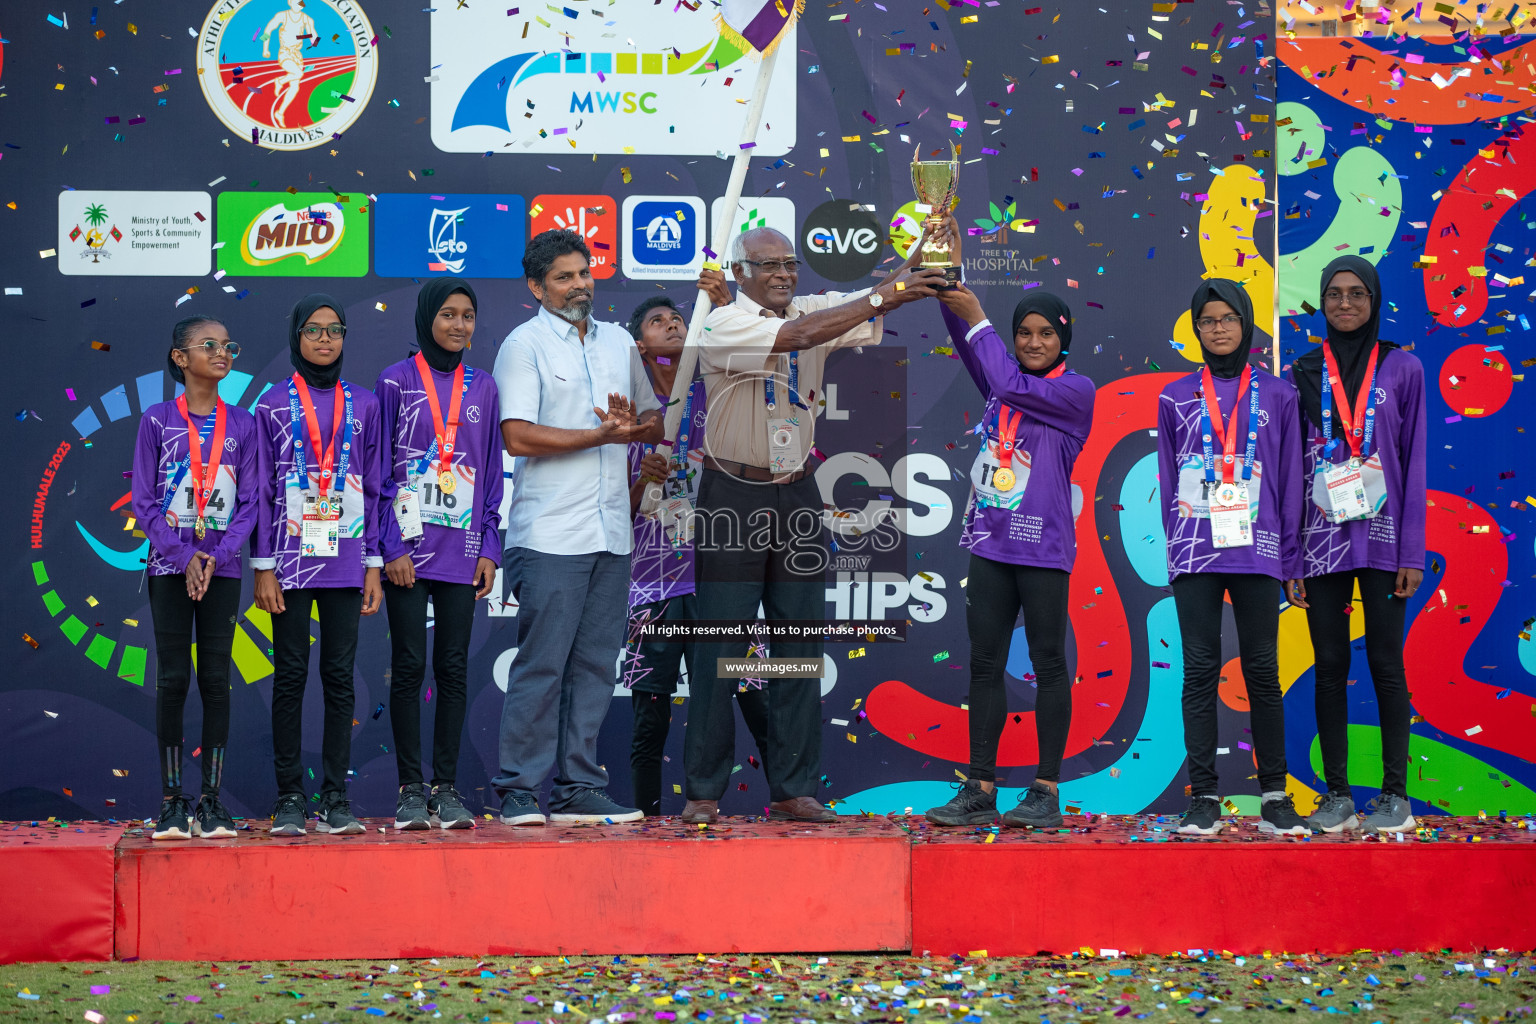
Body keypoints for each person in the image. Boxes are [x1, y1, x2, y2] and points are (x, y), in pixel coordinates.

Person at [681, 226, 946, 825]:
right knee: (720, 648)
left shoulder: (812, 310)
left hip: (797, 491)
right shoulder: (721, 322)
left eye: (790, 264)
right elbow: (798, 336)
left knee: (798, 647)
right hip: (734, 494)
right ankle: (704, 789)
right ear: (739, 272)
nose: (783, 274)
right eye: (769, 265)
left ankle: (793, 789)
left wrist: (927, 246)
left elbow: (881, 294)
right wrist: (885, 296)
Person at [919, 218, 1094, 829]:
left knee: (1047, 662)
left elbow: (998, 370)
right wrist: (951, 277)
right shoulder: (1002, 383)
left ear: (1063, 340)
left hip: (1043, 548)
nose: (1033, 340)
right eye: (1023, 332)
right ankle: (980, 787)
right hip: (992, 543)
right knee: (986, 663)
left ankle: (1044, 792)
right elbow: (973, 342)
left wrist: (982, 317)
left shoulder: (1077, 391)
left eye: (1045, 333)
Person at [491, 228, 663, 826]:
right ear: (537, 287)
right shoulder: (524, 345)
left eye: (584, 273)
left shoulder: (617, 341)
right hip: (549, 536)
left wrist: (637, 427)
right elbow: (517, 436)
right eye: (563, 277)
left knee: (595, 666)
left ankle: (577, 787)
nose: (578, 285)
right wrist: (600, 435)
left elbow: (648, 417)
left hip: (612, 530)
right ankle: (517, 789)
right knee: (542, 663)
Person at [1153, 280, 1311, 836]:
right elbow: (1169, 476)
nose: (1218, 329)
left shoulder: (1279, 395)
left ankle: (1274, 796)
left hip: (1258, 551)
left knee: (1262, 672)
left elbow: (1291, 481)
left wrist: (1292, 562)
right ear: (1196, 330)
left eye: (1228, 318)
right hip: (1196, 554)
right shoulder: (1174, 397)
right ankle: (1204, 799)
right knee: (1198, 672)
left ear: (1246, 324)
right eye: (1207, 320)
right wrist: (1176, 546)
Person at [1286, 256, 1426, 834]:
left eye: (1356, 294)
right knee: (1330, 664)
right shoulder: (1301, 371)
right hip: (1321, 539)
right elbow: (1291, 468)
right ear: (1322, 303)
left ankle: (1395, 795)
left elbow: (1413, 459)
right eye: (1334, 295)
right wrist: (1291, 554)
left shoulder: (1402, 368)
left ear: (1373, 300)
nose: (1345, 304)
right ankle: (1337, 795)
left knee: (1387, 664)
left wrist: (1412, 553)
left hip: (1386, 537)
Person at [624, 293, 772, 817]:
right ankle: (646, 816)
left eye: (678, 319)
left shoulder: (721, 399)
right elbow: (618, 508)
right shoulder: (630, 413)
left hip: (719, 578)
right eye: (656, 321)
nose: (671, 325)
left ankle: (793, 797)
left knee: (755, 695)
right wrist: (645, 477)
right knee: (651, 711)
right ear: (639, 344)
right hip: (653, 582)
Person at [252, 294, 384, 837]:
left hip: (347, 559)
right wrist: (262, 564)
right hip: (287, 559)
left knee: (338, 678)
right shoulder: (271, 405)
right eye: (313, 330)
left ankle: (335, 798)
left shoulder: (367, 404)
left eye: (334, 329)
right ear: (296, 336)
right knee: (289, 676)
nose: (325, 339)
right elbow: (259, 488)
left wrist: (374, 561)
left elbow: (376, 487)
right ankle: (288, 797)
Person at [376, 279, 503, 831]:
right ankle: (410, 790)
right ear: (427, 317)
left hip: (462, 549)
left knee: (452, 668)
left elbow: (493, 472)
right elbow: (378, 470)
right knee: (408, 667)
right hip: (407, 549)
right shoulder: (394, 383)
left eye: (468, 316)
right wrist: (389, 546)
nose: (459, 325)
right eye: (448, 315)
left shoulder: (485, 387)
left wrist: (490, 548)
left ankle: (446, 788)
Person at [133, 316, 259, 840]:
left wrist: (216, 554)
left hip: (222, 569)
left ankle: (211, 801)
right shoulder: (158, 421)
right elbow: (143, 501)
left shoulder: (245, 424)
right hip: (170, 568)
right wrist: (183, 556)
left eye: (228, 344)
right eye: (209, 345)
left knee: (214, 678)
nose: (222, 352)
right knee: (172, 679)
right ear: (181, 358)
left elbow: (252, 502)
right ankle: (171, 801)